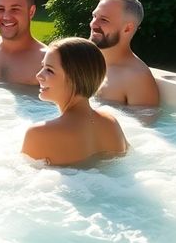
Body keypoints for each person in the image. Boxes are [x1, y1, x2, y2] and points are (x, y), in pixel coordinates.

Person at [22, 37, 128, 165]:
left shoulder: (38, 134)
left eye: (49, 70)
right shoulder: (110, 123)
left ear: (74, 79)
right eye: (42, 66)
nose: (38, 75)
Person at [89, 0, 160, 107]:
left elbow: (143, 125)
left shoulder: (137, 78)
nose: (93, 24)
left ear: (127, 28)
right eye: (94, 16)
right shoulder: (86, 59)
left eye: (104, 20)